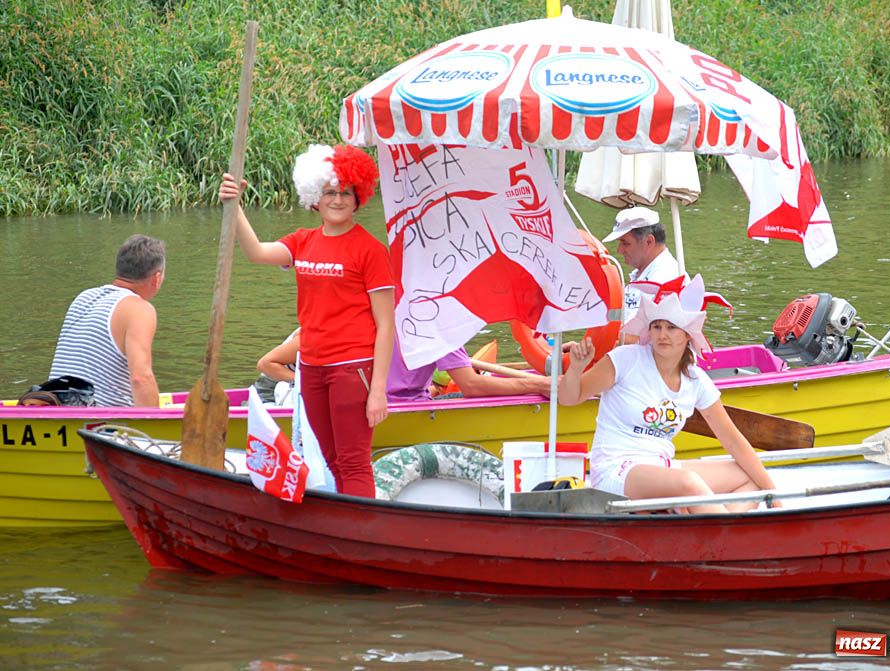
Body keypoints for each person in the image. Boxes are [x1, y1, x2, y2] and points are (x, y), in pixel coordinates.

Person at [219, 144, 394, 498]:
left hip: (352, 369)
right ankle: (347, 529)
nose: (338, 199)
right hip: (311, 368)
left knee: (354, 462)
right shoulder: (303, 241)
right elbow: (256, 252)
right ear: (315, 197)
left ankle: (360, 537)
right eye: (330, 192)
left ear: (359, 197)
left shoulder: (371, 250)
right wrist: (233, 206)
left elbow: (387, 325)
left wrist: (378, 391)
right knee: (331, 459)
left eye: (347, 192)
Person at [557, 275, 777, 514]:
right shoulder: (624, 359)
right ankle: (727, 539)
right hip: (617, 469)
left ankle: (707, 535)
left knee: (752, 478)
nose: (662, 334)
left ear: (687, 335)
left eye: (672, 327)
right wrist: (576, 369)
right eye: (657, 326)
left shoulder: (696, 380)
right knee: (688, 482)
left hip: (664, 467)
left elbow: (733, 441)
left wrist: (774, 495)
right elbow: (569, 398)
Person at [48, 234, 166, 406]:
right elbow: (141, 378)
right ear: (156, 278)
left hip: (55, 408)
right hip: (100, 422)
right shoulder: (140, 309)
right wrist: (156, 425)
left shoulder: (84, 297)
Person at [602, 206, 682, 345]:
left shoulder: (666, 278)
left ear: (649, 241)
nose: (619, 250)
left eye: (625, 243)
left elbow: (646, 339)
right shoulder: (643, 272)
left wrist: (593, 345)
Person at [386, 342, 552, 402]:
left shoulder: (384, 306)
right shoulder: (435, 322)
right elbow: (472, 386)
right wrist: (540, 384)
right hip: (401, 408)